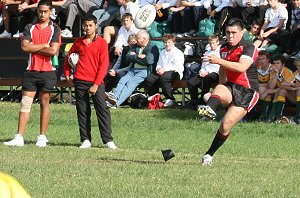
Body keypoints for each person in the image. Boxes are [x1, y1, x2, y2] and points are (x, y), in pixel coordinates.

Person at [197, 18, 259, 165]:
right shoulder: (224, 48)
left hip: (248, 91)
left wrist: (219, 61)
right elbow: (223, 70)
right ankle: (209, 109)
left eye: (234, 33)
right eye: (228, 32)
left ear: (242, 33)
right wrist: (219, 92)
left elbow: (241, 67)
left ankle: (208, 154)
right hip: (231, 86)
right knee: (219, 87)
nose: (230, 36)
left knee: (225, 125)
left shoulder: (249, 48)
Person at [3, 0, 61, 147]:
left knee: (44, 103)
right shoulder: (30, 27)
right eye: (40, 11)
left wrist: (33, 47)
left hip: (48, 71)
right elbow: (25, 47)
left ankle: (42, 137)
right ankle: (19, 137)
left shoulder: (55, 29)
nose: (42, 14)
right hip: (31, 70)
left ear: (50, 12)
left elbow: (53, 50)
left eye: (45, 11)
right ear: (37, 11)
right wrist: (43, 46)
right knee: (25, 103)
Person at [64, 14, 117, 149]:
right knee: (82, 110)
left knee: (102, 110)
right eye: (85, 25)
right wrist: (68, 75)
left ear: (96, 26)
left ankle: (108, 140)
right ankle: (85, 139)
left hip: (96, 82)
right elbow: (68, 59)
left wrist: (96, 84)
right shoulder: (78, 42)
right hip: (80, 80)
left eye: (90, 25)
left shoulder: (101, 43)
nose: (87, 28)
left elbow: (104, 65)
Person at [105, 30, 159, 108]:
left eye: (138, 38)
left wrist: (134, 56)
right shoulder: (136, 46)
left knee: (130, 84)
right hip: (133, 70)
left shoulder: (153, 47)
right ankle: (114, 97)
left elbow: (149, 61)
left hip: (144, 71)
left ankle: (116, 104)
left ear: (144, 39)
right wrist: (138, 56)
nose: (136, 40)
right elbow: (128, 57)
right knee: (122, 80)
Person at [144, 34, 184, 107]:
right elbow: (159, 63)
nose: (167, 44)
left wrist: (164, 69)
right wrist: (158, 68)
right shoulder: (163, 51)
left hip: (175, 73)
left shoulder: (178, 53)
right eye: (165, 42)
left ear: (173, 42)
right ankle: (155, 98)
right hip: (162, 71)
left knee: (164, 78)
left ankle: (170, 99)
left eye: (169, 42)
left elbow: (176, 66)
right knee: (149, 79)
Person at [187, 34, 220, 108]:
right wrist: (201, 71)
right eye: (210, 43)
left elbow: (219, 66)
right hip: (205, 73)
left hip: (215, 73)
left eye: (213, 43)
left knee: (208, 78)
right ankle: (194, 101)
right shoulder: (207, 52)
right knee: (191, 82)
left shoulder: (220, 52)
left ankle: (202, 100)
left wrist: (207, 72)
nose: (212, 45)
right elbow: (203, 65)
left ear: (218, 42)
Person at [262, 54, 293, 122]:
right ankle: (267, 117)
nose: (276, 65)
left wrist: (267, 91)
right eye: (274, 63)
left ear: (283, 64)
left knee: (280, 91)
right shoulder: (273, 71)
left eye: (278, 63)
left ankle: (274, 117)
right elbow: (271, 87)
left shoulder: (287, 71)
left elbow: (285, 87)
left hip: (292, 94)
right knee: (275, 94)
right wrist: (276, 74)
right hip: (280, 93)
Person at [256, 50, 272, 121]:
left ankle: (263, 115)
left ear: (268, 59)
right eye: (260, 59)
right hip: (262, 90)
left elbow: (271, 85)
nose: (261, 61)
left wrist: (259, 85)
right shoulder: (258, 69)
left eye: (263, 59)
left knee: (261, 90)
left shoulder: (272, 68)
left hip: (275, 90)